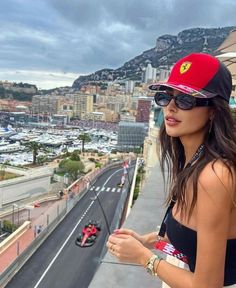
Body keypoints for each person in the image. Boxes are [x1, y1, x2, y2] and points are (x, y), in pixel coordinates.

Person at [107, 53, 236, 288]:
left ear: (214, 111)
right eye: (166, 97)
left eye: (186, 99)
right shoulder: (193, 160)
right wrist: (148, 241)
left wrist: (143, 257)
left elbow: (207, 285)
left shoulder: (214, 176)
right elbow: (195, 235)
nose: (171, 107)